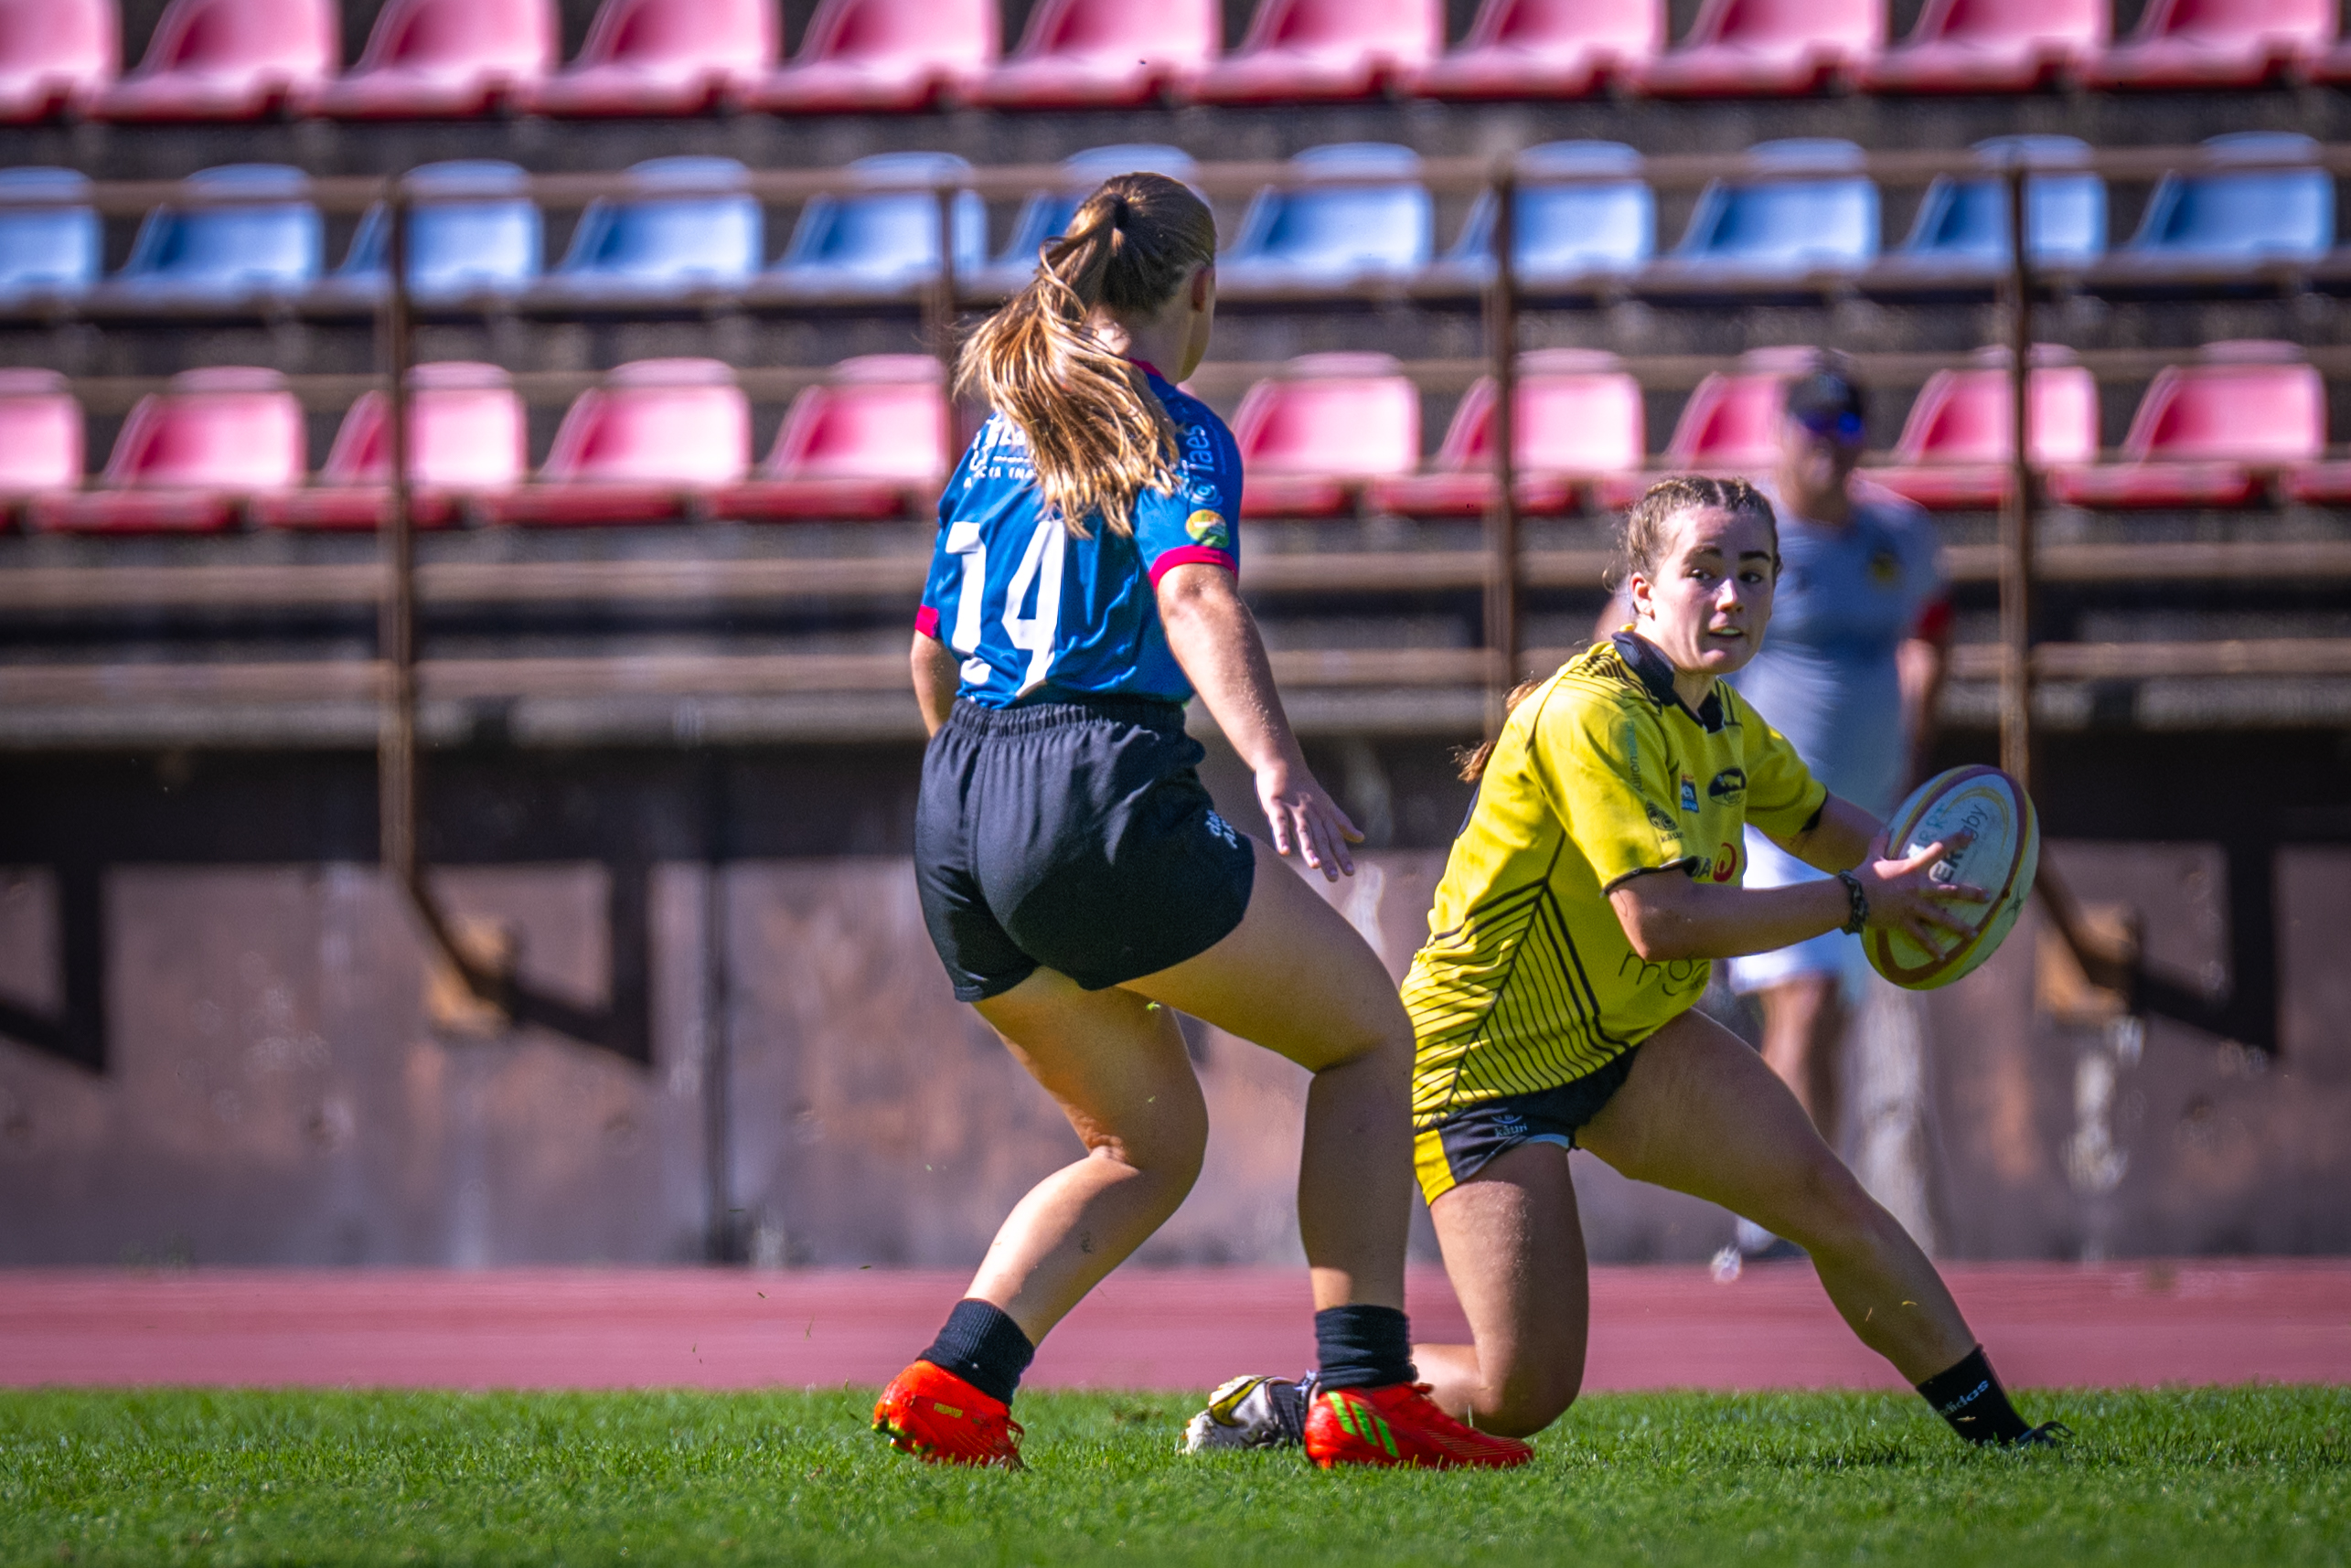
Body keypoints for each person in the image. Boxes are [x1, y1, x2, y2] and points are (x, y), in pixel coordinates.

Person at [872, 172, 1532, 1472]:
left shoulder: (1002, 428)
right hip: (1087, 787)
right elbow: (1192, 602)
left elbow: (931, 654)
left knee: (1148, 1141)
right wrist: (1276, 766)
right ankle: (1362, 1392)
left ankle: (956, 1383)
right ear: (1199, 290)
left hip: (954, 803)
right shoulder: (1175, 426)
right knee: (1363, 1039)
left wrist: (987, 805)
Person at [1187, 476, 2062, 1451]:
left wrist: (1920, 868)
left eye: (1754, 574)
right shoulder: (1591, 714)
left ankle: (2004, 1434)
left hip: (1629, 1036)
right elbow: (1661, 921)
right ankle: (1303, 1397)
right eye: (1705, 572)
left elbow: (1817, 821)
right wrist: (1863, 901)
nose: (1731, 596)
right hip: (1484, 1069)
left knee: (1826, 1196)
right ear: (1642, 590)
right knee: (1524, 1389)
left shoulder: (1720, 714)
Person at [1725, 363, 1951, 1228]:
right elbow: (1633, 635)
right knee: (1805, 1003)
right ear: (1781, 431)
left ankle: (1794, 1206)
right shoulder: (1748, 542)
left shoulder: (1898, 532)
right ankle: (1778, 1219)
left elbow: (1930, 620)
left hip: (1867, 823)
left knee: (1830, 1023)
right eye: (1814, 426)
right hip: (1774, 818)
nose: (1830, 444)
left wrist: (1917, 717)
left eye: (1847, 427)